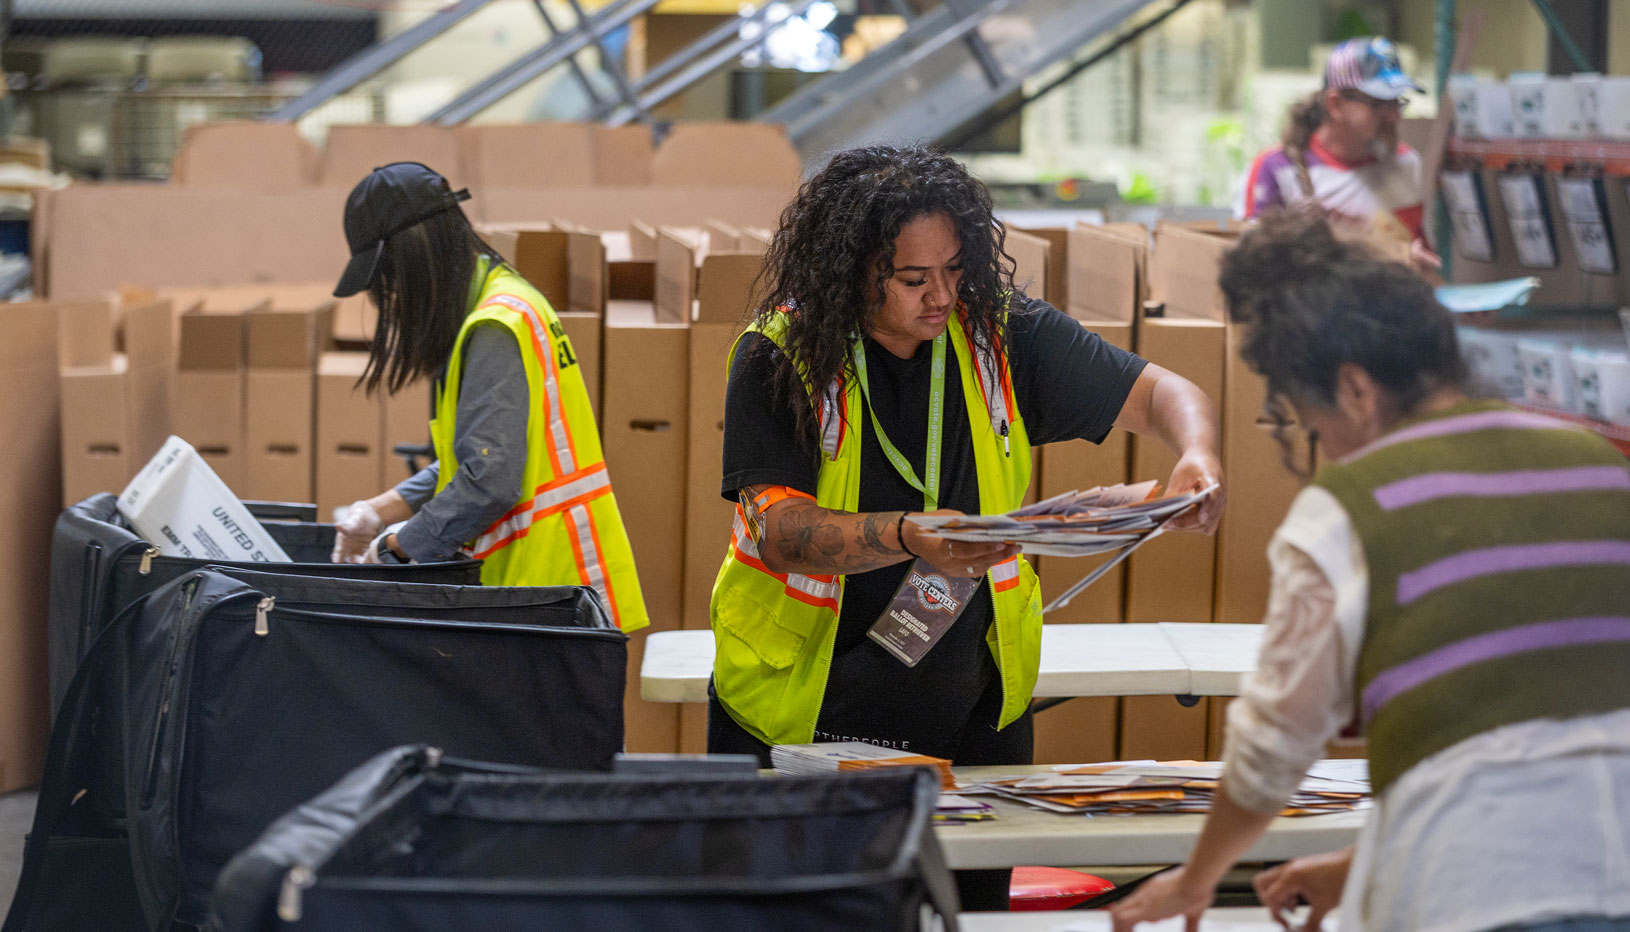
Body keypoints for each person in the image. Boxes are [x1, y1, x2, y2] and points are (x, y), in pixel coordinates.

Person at [708, 145, 1226, 909]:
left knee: (967, 916)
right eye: (914, 279)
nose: (942, 296)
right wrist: (909, 535)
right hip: (801, 712)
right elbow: (782, 533)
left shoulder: (1000, 337)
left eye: (955, 270)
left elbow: (1163, 394)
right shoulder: (781, 356)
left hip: (973, 715)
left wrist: (1198, 455)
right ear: (852, 270)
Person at [1109, 211, 1630, 932]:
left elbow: (1271, 749)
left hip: (1473, 902)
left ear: (1356, 389)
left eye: (1316, 423)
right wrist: (1362, 866)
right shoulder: (1600, 468)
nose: (1327, 448)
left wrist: (1196, 882)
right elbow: (1532, 746)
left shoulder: (1350, 509)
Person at [327, 161, 648, 633]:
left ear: (416, 255)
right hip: (542, 597)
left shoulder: (495, 326)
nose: (392, 299)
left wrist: (396, 548)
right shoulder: (502, 302)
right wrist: (379, 510)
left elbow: (490, 479)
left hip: (548, 597)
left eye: (389, 282)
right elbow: (483, 454)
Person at [1237, 37, 1440, 275]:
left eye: (1398, 101)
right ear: (1335, 104)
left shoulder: (1407, 162)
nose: (1395, 115)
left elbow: (1419, 253)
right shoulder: (1274, 169)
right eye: (1379, 103)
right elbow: (1250, 269)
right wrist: (1289, 232)